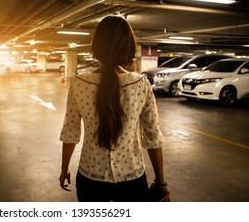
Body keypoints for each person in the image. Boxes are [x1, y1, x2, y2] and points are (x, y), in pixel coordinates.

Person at [59, 16, 170, 202]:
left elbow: (71, 131)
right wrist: (161, 183)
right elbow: (152, 137)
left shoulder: (79, 83)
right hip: (132, 178)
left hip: (90, 176)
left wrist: (64, 169)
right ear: (128, 47)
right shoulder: (141, 84)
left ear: (97, 46)